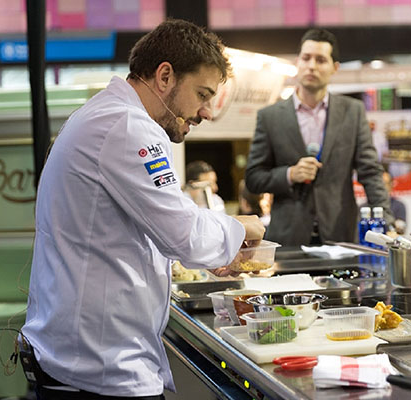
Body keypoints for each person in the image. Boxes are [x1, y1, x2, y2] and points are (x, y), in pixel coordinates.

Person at [20, 20, 265, 400]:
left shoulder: (112, 116)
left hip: (86, 358)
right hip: (95, 368)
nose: (206, 113)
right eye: (202, 94)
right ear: (165, 75)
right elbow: (184, 235)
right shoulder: (126, 126)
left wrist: (216, 248)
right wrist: (240, 227)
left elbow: (148, 224)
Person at [245, 28, 390, 246]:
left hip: (339, 236)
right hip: (288, 237)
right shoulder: (270, 117)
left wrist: (385, 221)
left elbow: (370, 171)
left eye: (320, 59)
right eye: (306, 58)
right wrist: (289, 174)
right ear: (297, 63)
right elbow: (254, 178)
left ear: (335, 68)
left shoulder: (353, 111)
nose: (311, 65)